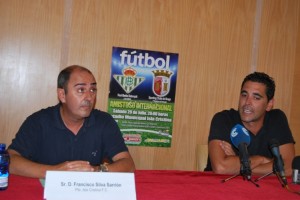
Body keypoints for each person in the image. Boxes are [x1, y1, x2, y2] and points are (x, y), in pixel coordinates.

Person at [8, 65, 135, 178]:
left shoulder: (104, 122)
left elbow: (128, 164)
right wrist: (54, 171)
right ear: (62, 95)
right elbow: (10, 160)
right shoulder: (38, 122)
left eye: (93, 90)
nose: (89, 97)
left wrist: (96, 171)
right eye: (81, 90)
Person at [205, 72, 295, 176]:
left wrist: (238, 164)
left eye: (256, 97)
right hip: (220, 188)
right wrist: (261, 159)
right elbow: (221, 167)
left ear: (269, 104)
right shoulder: (223, 119)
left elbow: (288, 168)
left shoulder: (277, 119)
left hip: (262, 189)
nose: (247, 102)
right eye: (244, 95)